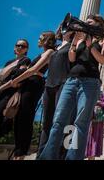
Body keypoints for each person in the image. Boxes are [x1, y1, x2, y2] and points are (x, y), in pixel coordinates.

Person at [39, 14, 104, 160]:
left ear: (97, 24)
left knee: (81, 124)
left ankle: (73, 157)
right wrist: (75, 42)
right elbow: (72, 59)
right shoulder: (79, 38)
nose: (84, 24)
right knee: (58, 121)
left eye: (89, 22)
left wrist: (90, 46)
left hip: (90, 82)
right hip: (71, 80)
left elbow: (102, 60)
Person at [10, 32, 57, 159]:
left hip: (34, 86)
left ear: (47, 40)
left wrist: (15, 80)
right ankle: (17, 153)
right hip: (28, 84)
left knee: (25, 118)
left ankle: (21, 154)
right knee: (19, 119)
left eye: (41, 37)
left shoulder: (50, 52)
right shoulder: (43, 52)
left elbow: (34, 69)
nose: (38, 39)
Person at [37, 26, 74, 157]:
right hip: (49, 86)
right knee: (46, 124)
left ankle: (64, 154)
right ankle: (41, 154)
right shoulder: (55, 48)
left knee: (65, 123)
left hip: (64, 85)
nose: (65, 29)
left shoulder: (73, 46)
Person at [0, 39, 31, 137]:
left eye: (23, 46)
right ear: (14, 47)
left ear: (26, 49)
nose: (20, 47)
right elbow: (1, 77)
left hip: (9, 92)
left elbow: (16, 79)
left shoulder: (25, 60)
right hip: (1, 91)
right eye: (18, 45)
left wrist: (0, 89)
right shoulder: (9, 62)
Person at [86, 90, 104, 160]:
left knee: (93, 138)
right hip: (87, 117)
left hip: (97, 119)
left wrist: (98, 102)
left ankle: (91, 157)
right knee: (88, 138)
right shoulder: (89, 91)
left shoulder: (102, 93)